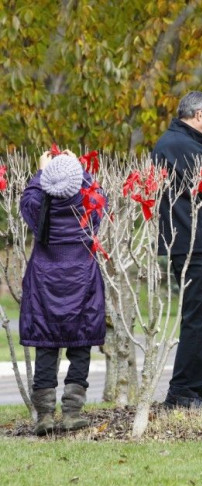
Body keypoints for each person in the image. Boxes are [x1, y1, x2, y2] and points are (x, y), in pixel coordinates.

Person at [20, 151, 106, 435]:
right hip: (82, 284)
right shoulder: (88, 203)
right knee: (80, 345)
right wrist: (78, 169)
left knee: (46, 345)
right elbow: (97, 193)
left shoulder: (39, 205)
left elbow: (27, 198)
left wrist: (42, 171)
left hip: (44, 285)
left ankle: (44, 416)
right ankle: (72, 412)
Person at [153, 91, 202, 409]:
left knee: (201, 316)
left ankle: (195, 387)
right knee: (198, 317)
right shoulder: (184, 146)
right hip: (193, 241)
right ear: (198, 114)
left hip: (189, 239)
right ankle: (183, 390)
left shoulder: (175, 144)